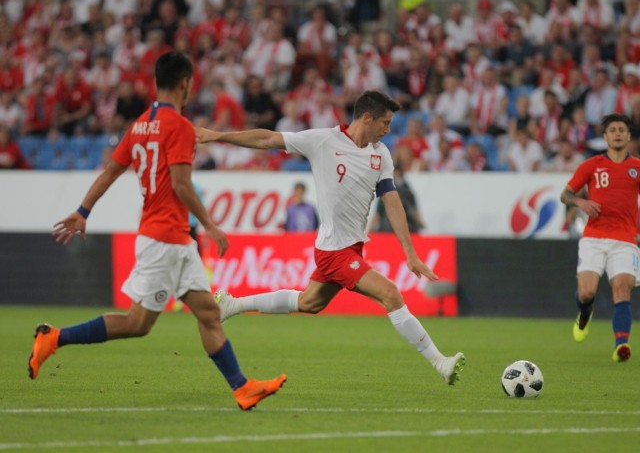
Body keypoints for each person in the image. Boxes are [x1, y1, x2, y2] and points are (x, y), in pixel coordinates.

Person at [27, 51, 286, 411]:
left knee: (208, 313)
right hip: (165, 239)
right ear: (185, 83)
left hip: (170, 238)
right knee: (137, 323)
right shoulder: (177, 126)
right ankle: (53, 338)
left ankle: (242, 388)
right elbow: (181, 184)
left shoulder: (139, 126)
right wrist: (211, 226)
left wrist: (83, 210)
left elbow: (110, 173)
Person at [195, 90, 465, 385]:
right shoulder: (323, 141)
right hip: (336, 251)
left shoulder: (380, 154)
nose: (388, 130)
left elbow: (391, 200)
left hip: (348, 248)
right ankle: (440, 363)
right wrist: (215, 136)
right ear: (367, 118)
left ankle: (232, 305)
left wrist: (410, 253)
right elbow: (267, 139)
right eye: (385, 123)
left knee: (310, 302)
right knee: (391, 294)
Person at [560, 113, 640, 362]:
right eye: (612, 130)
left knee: (622, 289)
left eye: (622, 130)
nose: (617, 133)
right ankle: (585, 312)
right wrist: (581, 202)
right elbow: (565, 195)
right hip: (594, 237)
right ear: (605, 136)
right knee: (586, 293)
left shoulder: (637, 167)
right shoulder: (591, 165)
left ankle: (621, 345)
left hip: (625, 239)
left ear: (628, 136)